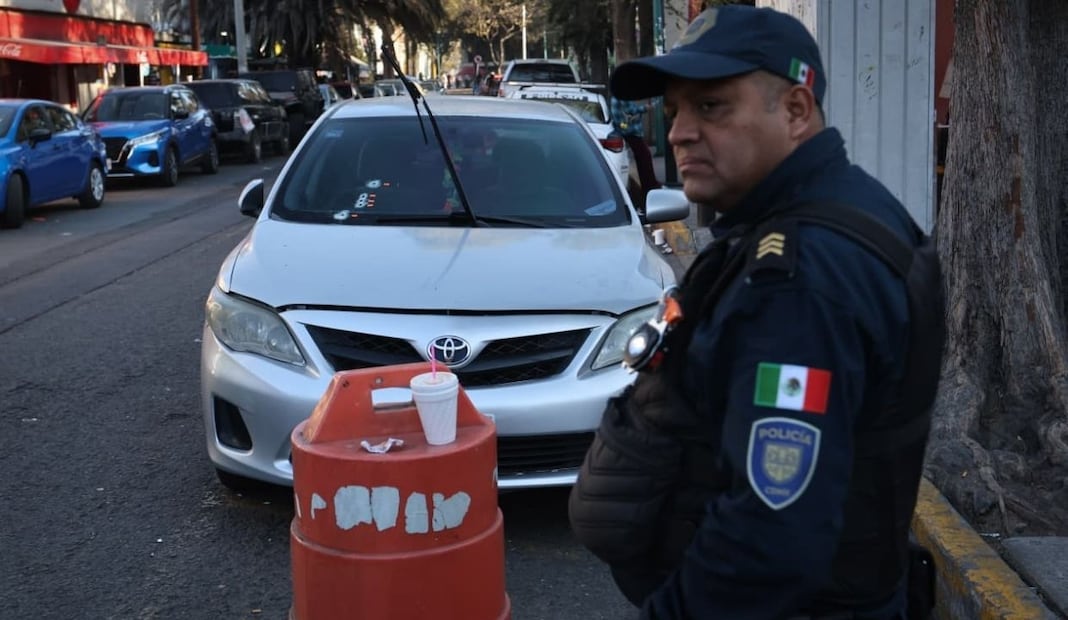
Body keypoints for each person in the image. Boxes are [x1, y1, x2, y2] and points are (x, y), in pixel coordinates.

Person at [568, 5, 944, 620]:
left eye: (711, 107)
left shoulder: (800, 279)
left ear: (795, 111)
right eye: (677, 109)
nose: (679, 132)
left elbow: (770, 538)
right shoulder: (838, 212)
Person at [609, 93, 661, 202]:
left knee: (642, 156)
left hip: (624, 128)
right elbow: (632, 110)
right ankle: (649, 186)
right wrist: (646, 108)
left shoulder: (617, 95)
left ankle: (649, 185)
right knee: (644, 156)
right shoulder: (622, 96)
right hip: (629, 131)